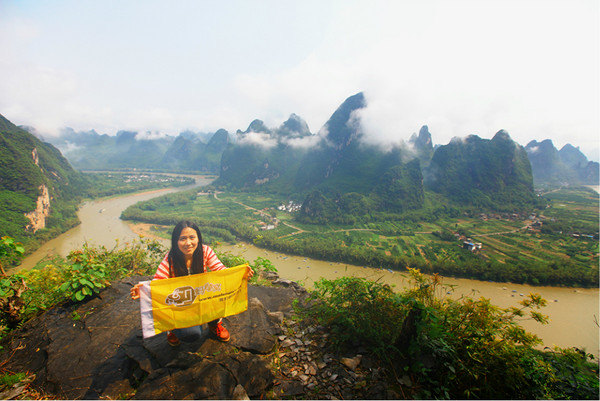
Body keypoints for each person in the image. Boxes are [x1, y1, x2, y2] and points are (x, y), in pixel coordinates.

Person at [130, 220, 253, 346]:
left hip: (203, 297)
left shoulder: (205, 251)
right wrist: (145, 291)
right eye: (183, 239)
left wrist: (240, 275)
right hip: (182, 303)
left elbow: (222, 272)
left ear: (198, 238)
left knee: (219, 294)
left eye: (192, 237)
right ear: (175, 241)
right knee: (192, 334)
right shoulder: (170, 259)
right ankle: (171, 329)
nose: (188, 243)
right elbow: (158, 281)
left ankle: (214, 324)